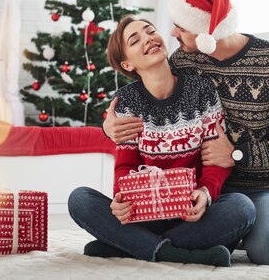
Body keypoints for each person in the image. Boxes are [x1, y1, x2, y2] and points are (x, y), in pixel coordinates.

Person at [103, 0, 269, 265]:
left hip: (266, 184)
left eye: (181, 27)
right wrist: (109, 126)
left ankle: (137, 246)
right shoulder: (184, 60)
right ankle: (175, 246)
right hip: (212, 188)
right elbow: (146, 91)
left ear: (207, 31)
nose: (172, 33)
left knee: (266, 249)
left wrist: (237, 154)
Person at [68, 15, 256, 267]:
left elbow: (216, 160)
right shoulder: (126, 102)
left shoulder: (201, 90)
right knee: (79, 199)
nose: (148, 39)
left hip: (191, 212)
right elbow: (125, 167)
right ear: (127, 64)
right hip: (146, 212)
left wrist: (204, 194)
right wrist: (121, 199)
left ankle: (129, 245)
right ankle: (178, 253)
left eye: (151, 31)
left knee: (242, 208)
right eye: (135, 40)